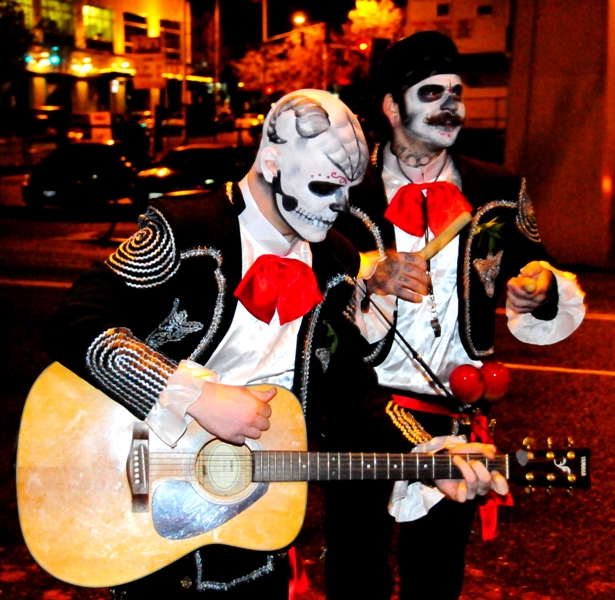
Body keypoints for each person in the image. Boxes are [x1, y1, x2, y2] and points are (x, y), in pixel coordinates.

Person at [45, 88, 508, 599]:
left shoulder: (333, 259)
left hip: (254, 533)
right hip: (151, 517)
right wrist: (193, 396)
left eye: (346, 192)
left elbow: (350, 387)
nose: (337, 208)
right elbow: (76, 322)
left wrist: (427, 451)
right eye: (323, 187)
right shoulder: (186, 232)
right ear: (271, 162)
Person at [328, 32, 586, 600]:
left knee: (437, 572)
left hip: (455, 414)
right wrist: (370, 275)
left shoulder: (498, 189)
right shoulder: (346, 190)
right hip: (361, 411)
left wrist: (538, 289)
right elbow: (309, 281)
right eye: (431, 93)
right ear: (391, 106)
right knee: (356, 568)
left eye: (456, 92)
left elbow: (536, 264)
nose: (450, 105)